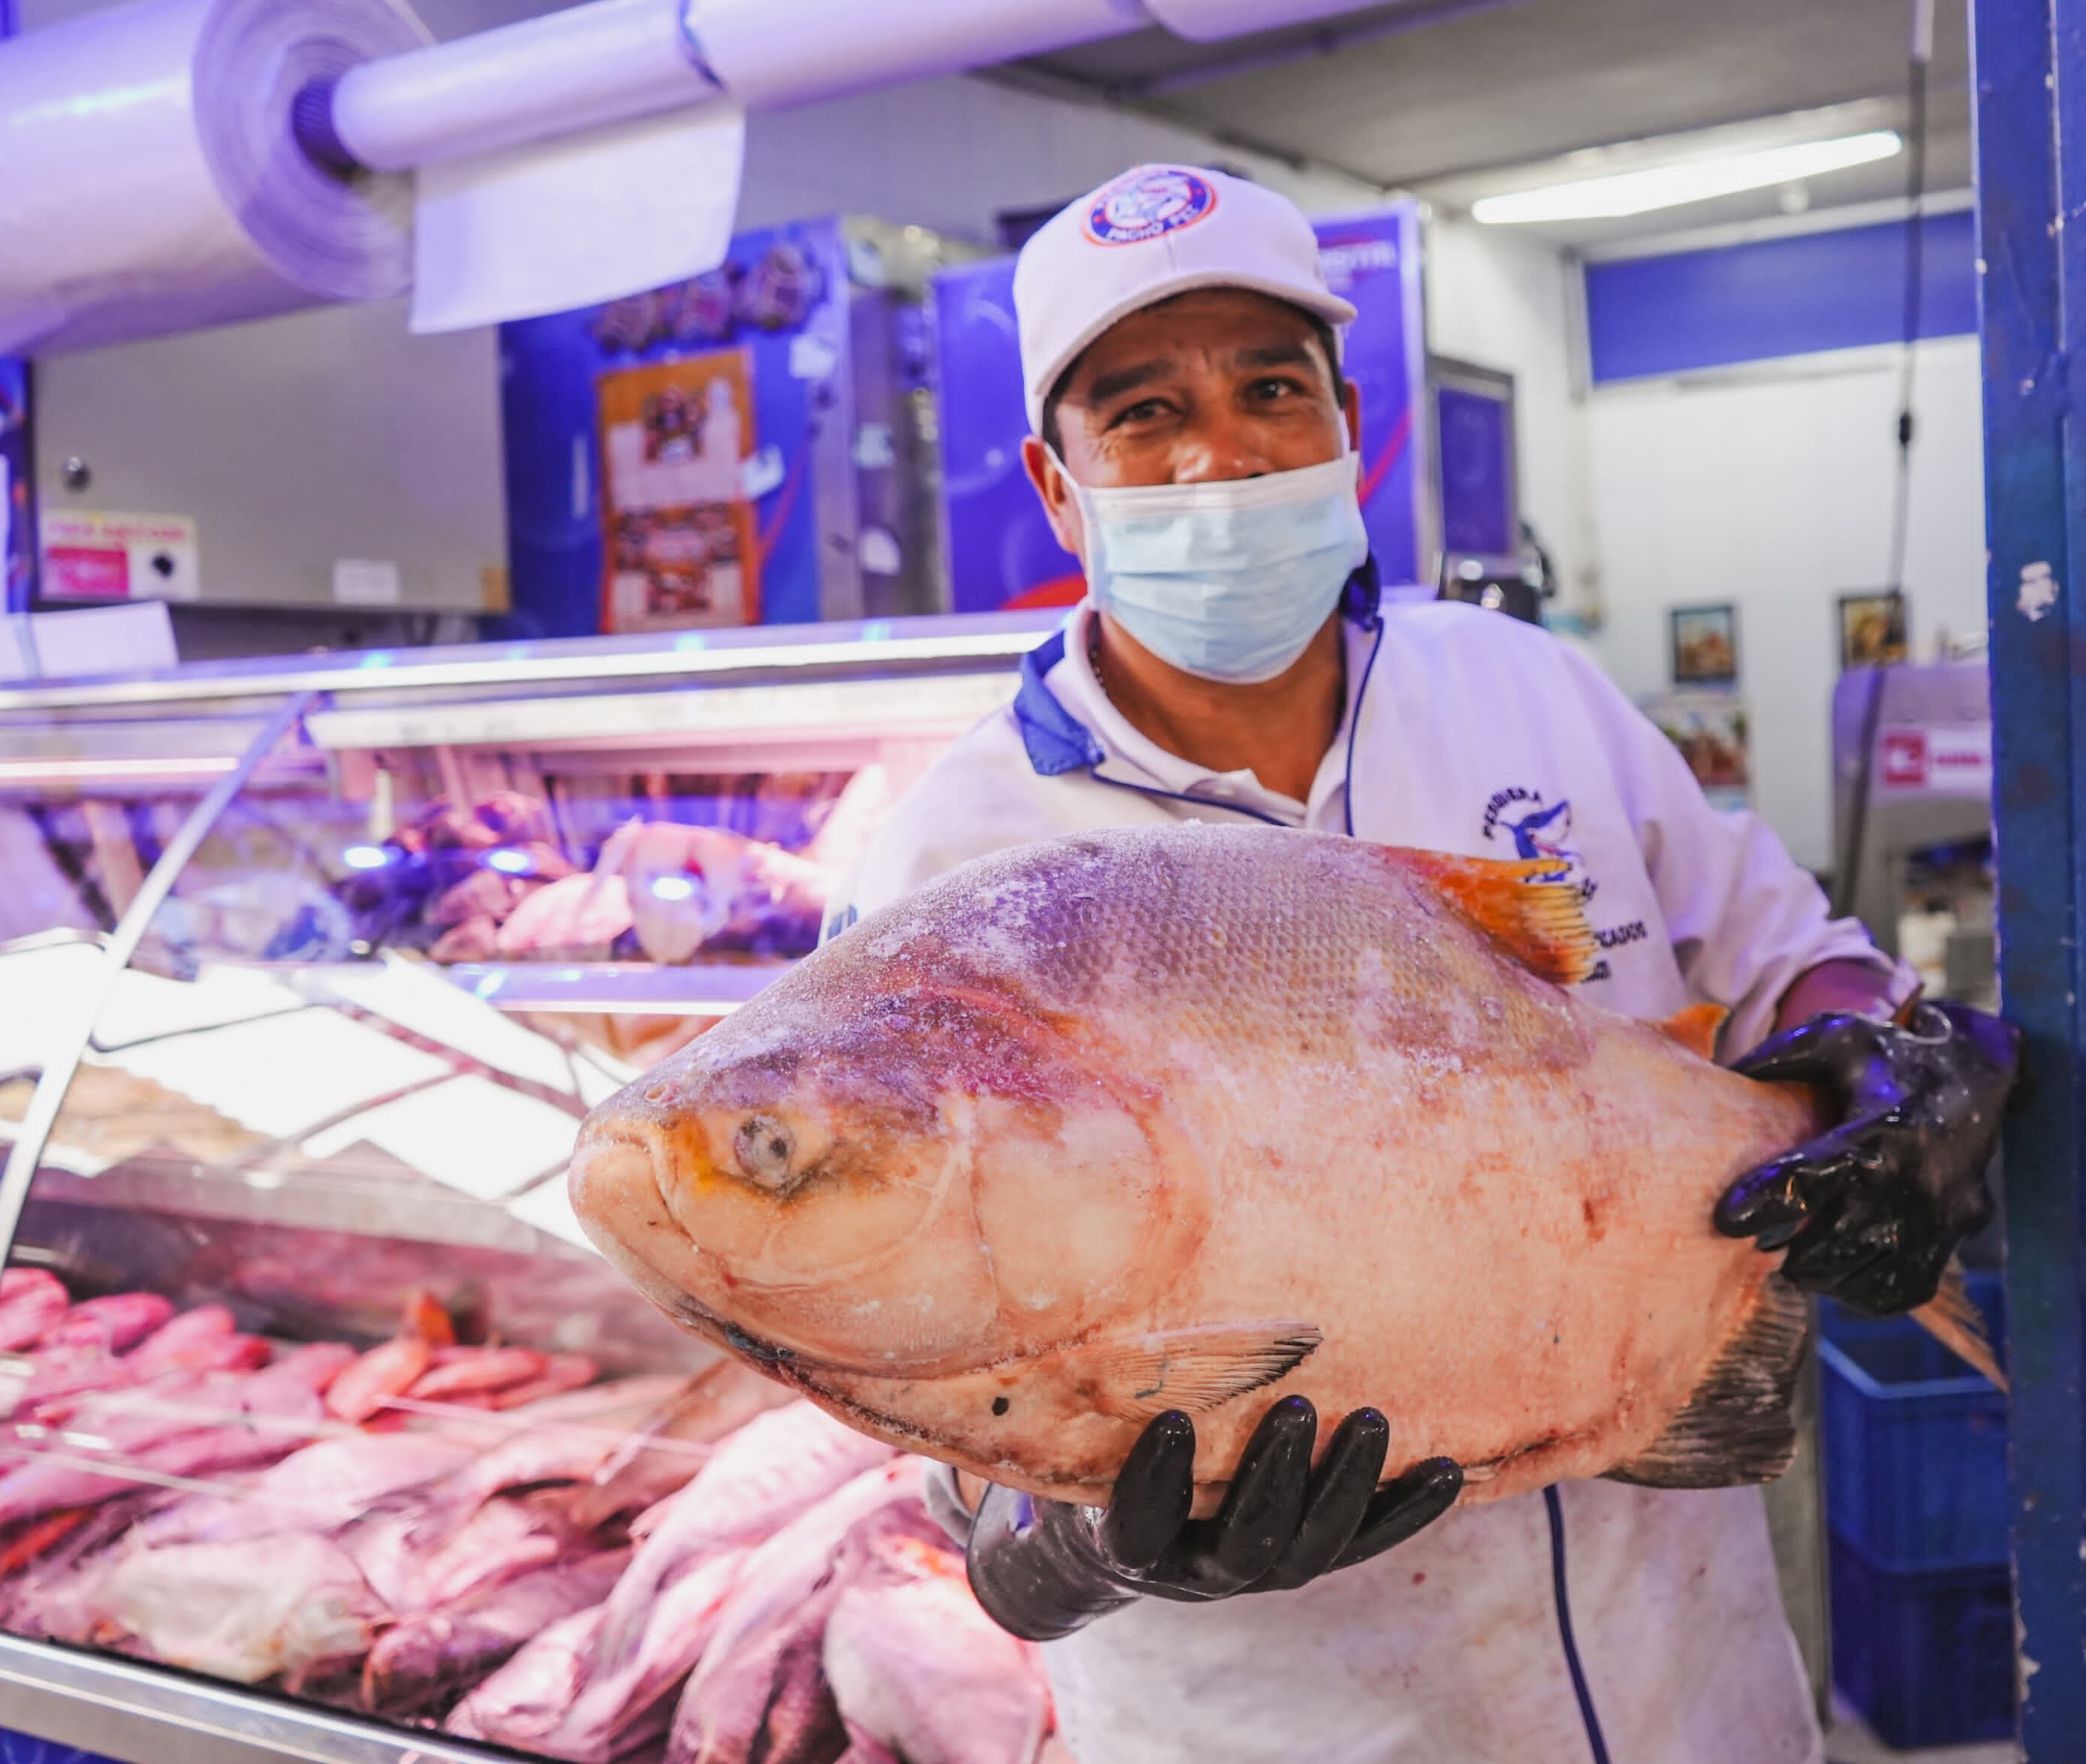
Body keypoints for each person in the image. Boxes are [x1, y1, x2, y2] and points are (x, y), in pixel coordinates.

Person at [829, 162, 2011, 1764]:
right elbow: (951, 1439)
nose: (1223, 455)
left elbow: (1791, 960)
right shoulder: (958, 859)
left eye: (1268, 388)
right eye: (1145, 414)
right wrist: (1088, 1544)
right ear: (1058, 483)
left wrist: (1879, 1067)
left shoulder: (1525, 691)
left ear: (1343, 422)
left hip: (1690, 1687)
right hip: (1292, 1724)